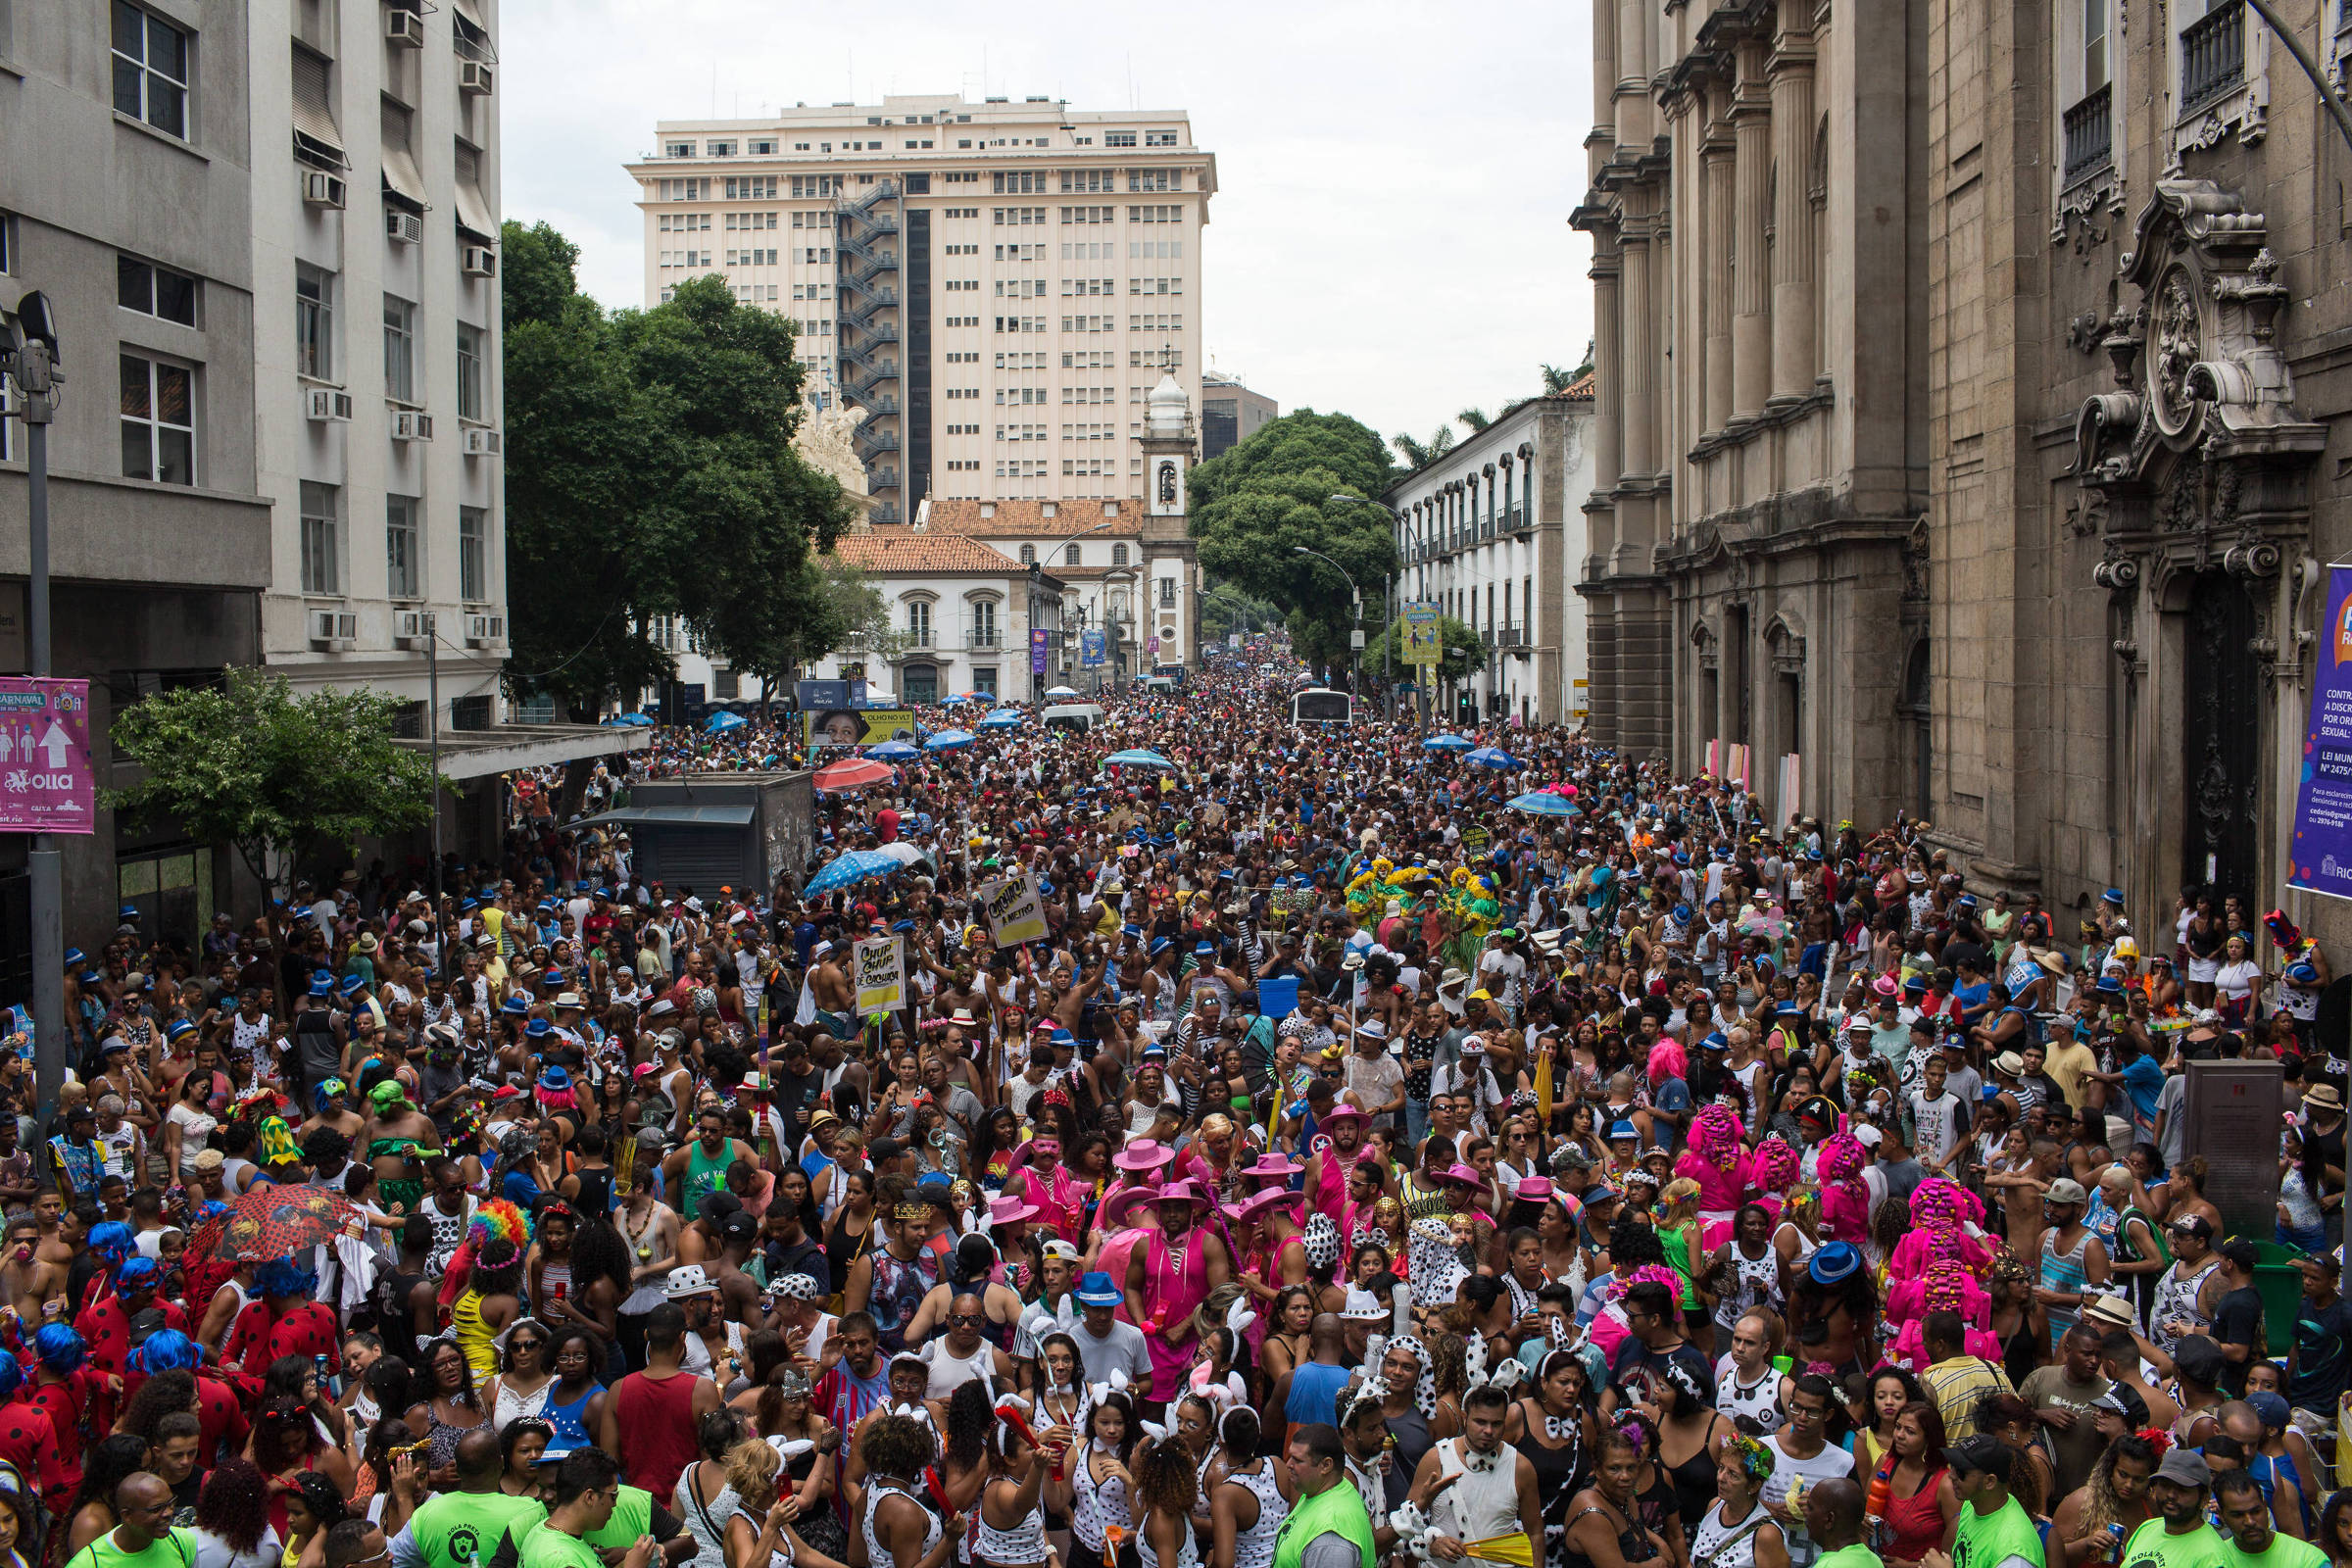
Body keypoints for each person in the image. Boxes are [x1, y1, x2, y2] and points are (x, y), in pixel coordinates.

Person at [390, 1428, 547, 1568]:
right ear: (501, 1463)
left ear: (457, 1469)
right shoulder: (530, 1511)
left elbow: (393, 1561)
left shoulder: (426, 1514)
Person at [520, 1448, 662, 1568]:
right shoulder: (564, 1559)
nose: (615, 1504)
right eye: (613, 1496)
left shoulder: (540, 1531)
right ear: (590, 1497)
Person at [1931, 1435, 2044, 1568]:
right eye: (1953, 1466)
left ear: (1989, 1482)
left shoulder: (2014, 1552)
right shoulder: (1974, 1504)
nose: (1951, 1475)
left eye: (1961, 1471)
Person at [1271, 1424, 1376, 1568]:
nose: (1288, 1464)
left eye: (1298, 1460)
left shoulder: (1329, 1538)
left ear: (1326, 1465)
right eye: (1290, 1457)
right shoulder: (1329, 1488)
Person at [1689, 1434, 1788, 1568]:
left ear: (1754, 1486)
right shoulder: (1715, 1505)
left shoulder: (1766, 1534)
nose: (1721, 1478)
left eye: (1733, 1474)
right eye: (1721, 1468)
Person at [2119, 1449, 2228, 1568]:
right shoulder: (2147, 1528)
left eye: (2182, 1489)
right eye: (2165, 1485)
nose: (2171, 1495)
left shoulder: (2212, 1556)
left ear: (2204, 1499)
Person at [63, 1472, 196, 1568]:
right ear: (127, 1516)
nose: (168, 1513)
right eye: (156, 1509)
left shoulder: (182, 1543)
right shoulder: (90, 1562)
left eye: (170, 1504)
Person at [2215, 1468, 2329, 1568]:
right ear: (2222, 1516)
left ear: (2265, 1508)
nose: (2250, 1522)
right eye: (2238, 1515)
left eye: (2256, 1511)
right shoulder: (2214, 1560)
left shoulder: (2309, 1560)